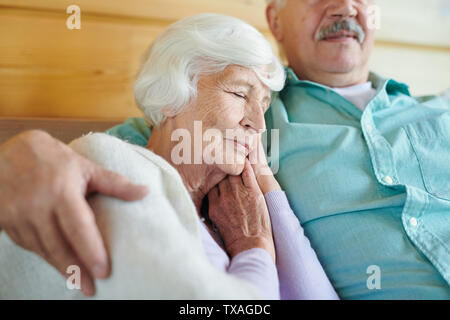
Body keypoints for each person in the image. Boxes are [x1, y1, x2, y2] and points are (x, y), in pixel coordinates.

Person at [1, 0, 449, 299]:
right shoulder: (239, 128)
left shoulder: (441, 108)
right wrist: (25, 149)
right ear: (275, 19)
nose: (344, 5)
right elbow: (150, 145)